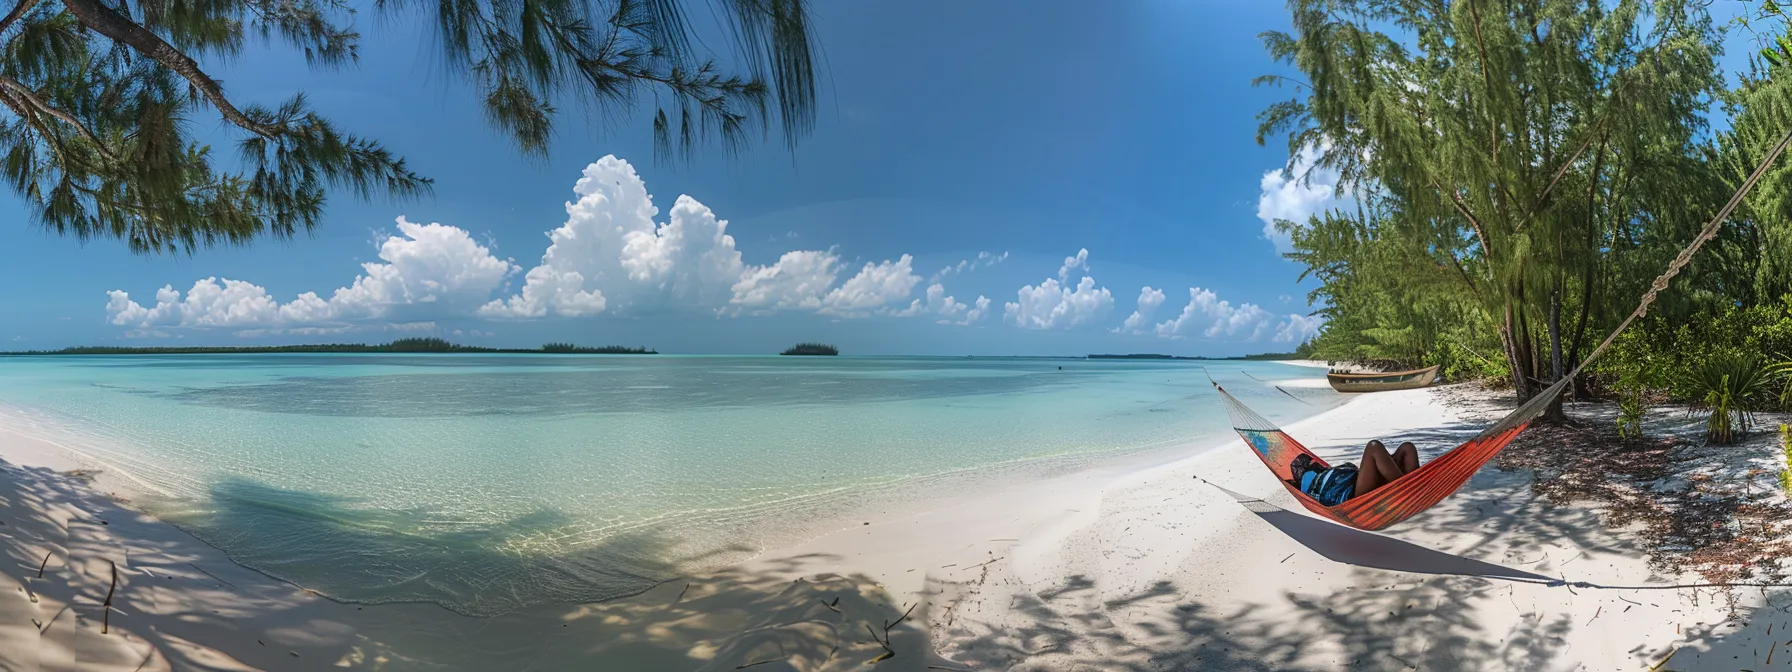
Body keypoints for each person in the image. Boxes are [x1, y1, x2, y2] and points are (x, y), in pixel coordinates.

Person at [1288, 440, 1420, 506]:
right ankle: (1407, 488)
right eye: (1311, 463)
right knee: (1373, 446)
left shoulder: (1324, 473)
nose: (1313, 463)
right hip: (1354, 496)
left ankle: (1416, 485)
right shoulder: (1307, 483)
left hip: (1362, 483)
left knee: (1406, 447)